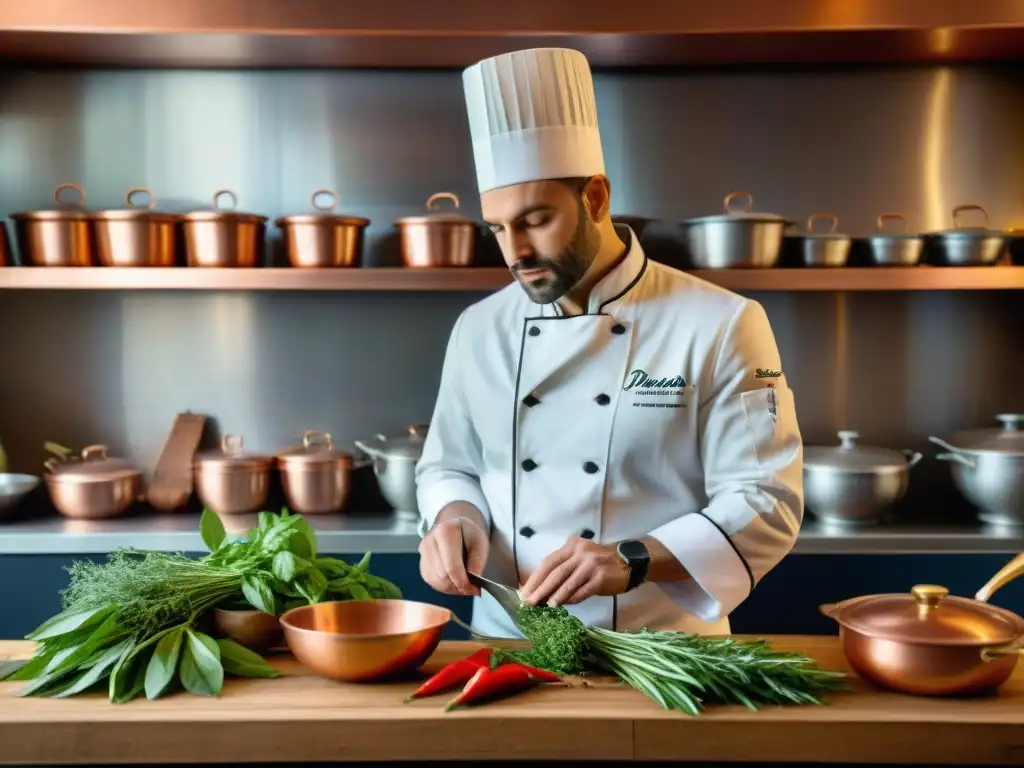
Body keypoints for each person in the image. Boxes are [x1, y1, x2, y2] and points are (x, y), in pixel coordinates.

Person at [415, 47, 803, 639]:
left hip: (663, 652)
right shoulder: (479, 327)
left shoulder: (721, 322)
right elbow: (449, 465)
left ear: (595, 198)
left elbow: (764, 501)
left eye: (536, 218)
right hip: (508, 640)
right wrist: (454, 518)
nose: (516, 251)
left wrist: (635, 558)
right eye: (497, 227)